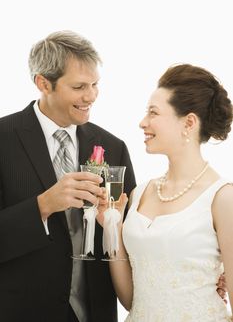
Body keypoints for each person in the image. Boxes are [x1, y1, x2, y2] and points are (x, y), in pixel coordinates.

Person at [0, 30, 136, 322]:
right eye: (79, 87)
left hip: (96, 312)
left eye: (95, 84)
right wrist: (43, 206)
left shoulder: (114, 147)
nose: (91, 96)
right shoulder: (2, 139)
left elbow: (134, 235)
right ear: (43, 83)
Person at [108, 64, 233, 321]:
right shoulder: (140, 193)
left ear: (188, 122)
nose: (143, 122)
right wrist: (112, 225)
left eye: (153, 113)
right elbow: (131, 299)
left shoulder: (222, 198)